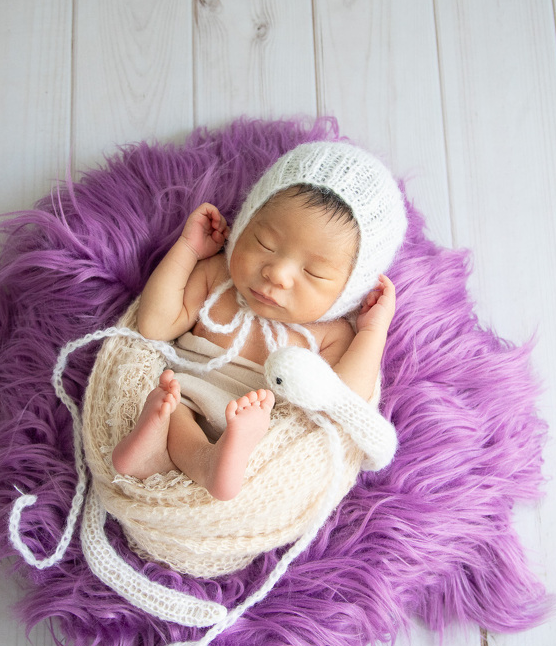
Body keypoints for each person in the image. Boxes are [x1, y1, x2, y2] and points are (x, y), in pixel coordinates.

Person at [110, 141, 406, 500]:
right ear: (245, 223)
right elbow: (155, 325)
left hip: (260, 428)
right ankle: (171, 456)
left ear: (349, 290)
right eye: (265, 243)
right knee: (169, 402)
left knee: (260, 439)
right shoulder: (217, 276)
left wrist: (372, 330)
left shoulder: (330, 333)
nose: (277, 273)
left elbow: (344, 401)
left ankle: (209, 459)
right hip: (188, 395)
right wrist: (187, 250)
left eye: (313, 272)